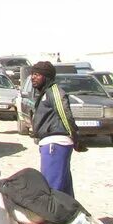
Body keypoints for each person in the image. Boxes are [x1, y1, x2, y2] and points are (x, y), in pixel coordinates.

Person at [29, 60, 80, 197]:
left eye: (37, 74)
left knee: (51, 188)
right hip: (51, 144)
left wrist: (75, 136)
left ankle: (52, 217)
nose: (33, 77)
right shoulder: (45, 92)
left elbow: (65, 114)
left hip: (56, 144)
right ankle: (69, 216)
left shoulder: (54, 91)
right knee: (63, 188)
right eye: (32, 74)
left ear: (46, 76)